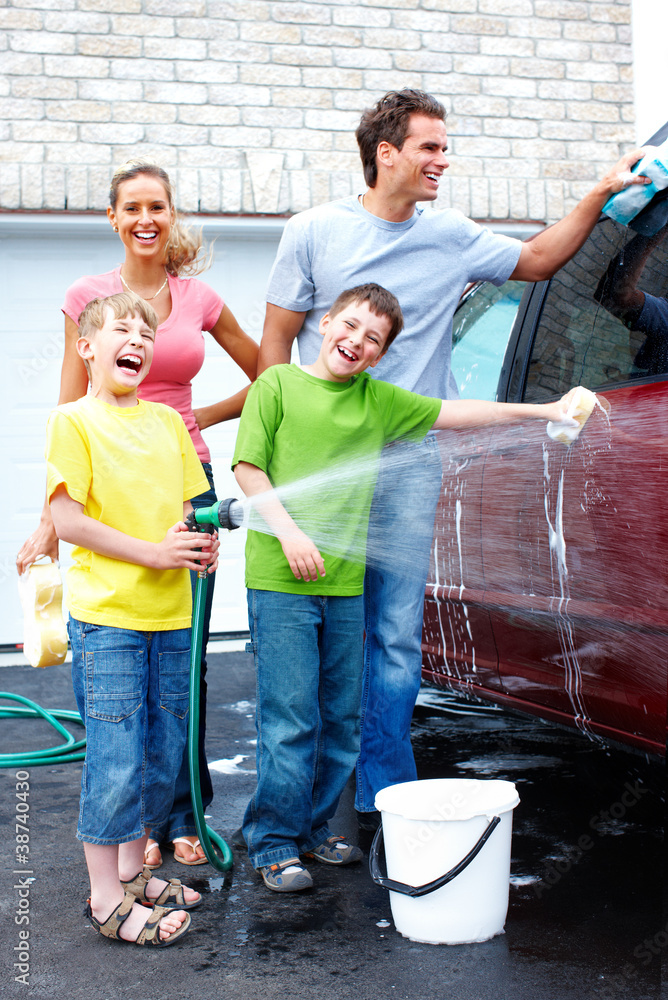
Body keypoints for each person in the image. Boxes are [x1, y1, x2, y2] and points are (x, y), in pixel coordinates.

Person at [257, 89, 652, 830]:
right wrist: (276, 449)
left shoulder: (451, 237)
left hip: (410, 463)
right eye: (431, 147)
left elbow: (536, 259)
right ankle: (305, 798)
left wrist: (600, 192)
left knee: (395, 638)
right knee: (323, 636)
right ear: (387, 154)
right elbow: (276, 346)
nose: (445, 160)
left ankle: (382, 793)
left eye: (445, 147)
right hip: (323, 467)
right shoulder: (312, 233)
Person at [233, 282, 577, 892]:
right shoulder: (277, 385)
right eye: (351, 326)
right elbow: (248, 468)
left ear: (381, 354)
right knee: (291, 716)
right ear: (328, 321)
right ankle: (273, 843)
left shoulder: (379, 401)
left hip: (341, 586)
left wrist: (547, 412)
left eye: (373, 339)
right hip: (279, 581)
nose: (356, 342)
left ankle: (312, 832)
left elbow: (463, 414)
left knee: (339, 718)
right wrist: (289, 535)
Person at [16, 159, 259, 866]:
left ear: (171, 214)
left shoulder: (201, 300)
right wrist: (46, 518)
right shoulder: (88, 297)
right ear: (115, 219)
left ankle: (181, 816)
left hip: (185, 475)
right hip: (111, 476)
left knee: (184, 665)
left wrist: (191, 416)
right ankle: (133, 835)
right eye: (133, 208)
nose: (147, 219)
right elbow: (69, 404)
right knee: (126, 660)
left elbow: (262, 375)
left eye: (159, 206)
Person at [47, 292, 219, 944]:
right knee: (116, 755)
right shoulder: (74, 422)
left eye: (146, 334)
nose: (137, 342)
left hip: (172, 613)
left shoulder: (167, 424)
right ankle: (103, 898)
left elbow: (192, 505)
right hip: (110, 617)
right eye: (122, 330)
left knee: (157, 753)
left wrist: (203, 537)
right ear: (87, 347)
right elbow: (67, 520)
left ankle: (131, 872)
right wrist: (154, 551)